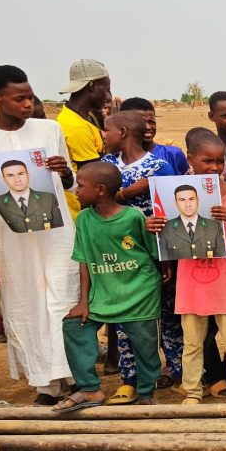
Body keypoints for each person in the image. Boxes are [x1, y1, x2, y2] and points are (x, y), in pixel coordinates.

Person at [0, 65, 77, 405]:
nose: (28, 104)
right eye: (19, 98)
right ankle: (46, 384)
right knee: (26, 302)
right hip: (12, 235)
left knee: (62, 297)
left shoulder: (49, 129)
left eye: (30, 96)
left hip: (55, 231)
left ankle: (73, 374)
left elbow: (68, 184)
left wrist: (64, 171)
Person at [146, 130, 226, 404]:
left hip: (225, 277)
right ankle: (193, 390)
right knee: (192, 341)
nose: (216, 168)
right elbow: (166, 233)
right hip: (190, 279)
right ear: (191, 159)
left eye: (220, 162)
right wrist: (154, 227)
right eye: (208, 161)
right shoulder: (174, 192)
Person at [54, 162, 162, 410]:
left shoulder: (133, 216)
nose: (76, 191)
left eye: (81, 186)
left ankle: (146, 392)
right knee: (74, 326)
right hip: (103, 293)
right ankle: (90, 390)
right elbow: (84, 260)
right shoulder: (83, 220)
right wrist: (83, 302)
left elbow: (151, 252)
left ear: (100, 190)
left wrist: (159, 277)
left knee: (145, 346)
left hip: (139, 292)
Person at [100, 110, 181, 398]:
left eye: (106, 130)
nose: (103, 135)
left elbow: (172, 214)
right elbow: (98, 201)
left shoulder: (159, 166)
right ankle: (129, 376)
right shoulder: (106, 166)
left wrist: (168, 257)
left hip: (156, 253)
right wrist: (130, 191)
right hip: (120, 257)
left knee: (168, 314)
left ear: (122, 132)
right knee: (124, 319)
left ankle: (174, 368)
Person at [57, 58, 111, 168]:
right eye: (107, 90)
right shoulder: (77, 127)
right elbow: (95, 173)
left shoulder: (87, 117)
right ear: (92, 86)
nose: (108, 96)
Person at [117, 98, 190, 176]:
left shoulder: (173, 155)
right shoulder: (116, 159)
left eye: (151, 122)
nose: (148, 127)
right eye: (141, 122)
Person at [0, 159, 65, 232]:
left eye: (20, 174)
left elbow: (59, 230)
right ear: (4, 179)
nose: (17, 180)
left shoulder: (48, 198)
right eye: (10, 175)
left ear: (28, 175)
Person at [159, 184, 226, 260]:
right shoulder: (166, 228)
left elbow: (221, 256)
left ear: (197, 201)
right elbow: (165, 259)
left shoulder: (214, 226)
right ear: (176, 203)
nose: (188, 205)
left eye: (191, 199)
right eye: (182, 200)